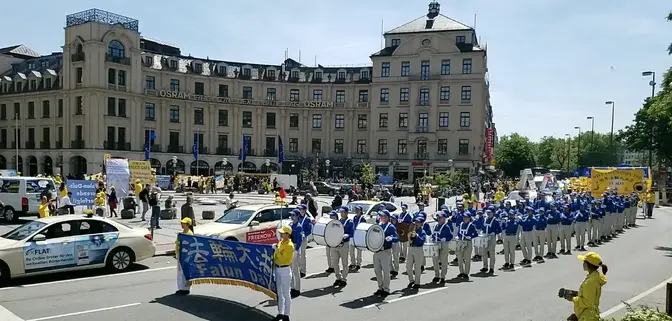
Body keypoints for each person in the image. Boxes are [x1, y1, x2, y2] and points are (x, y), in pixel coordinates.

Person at [563, 252, 608, 321]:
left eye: (584, 262)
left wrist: (572, 298)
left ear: (589, 265)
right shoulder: (595, 276)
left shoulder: (590, 282)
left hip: (587, 317)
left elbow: (587, 302)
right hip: (588, 314)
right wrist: (576, 294)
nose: (583, 264)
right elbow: (589, 296)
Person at [373, 210, 397, 296]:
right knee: (377, 271)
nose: (381, 217)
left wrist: (391, 238)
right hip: (377, 251)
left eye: (383, 216)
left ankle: (386, 289)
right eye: (380, 216)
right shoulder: (378, 225)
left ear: (387, 217)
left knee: (386, 271)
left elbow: (397, 238)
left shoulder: (390, 227)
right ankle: (380, 287)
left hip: (385, 250)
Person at [273, 225, 294, 321]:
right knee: (279, 293)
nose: (281, 234)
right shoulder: (280, 242)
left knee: (286, 293)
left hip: (285, 269)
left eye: (283, 233)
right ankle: (280, 312)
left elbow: (283, 257)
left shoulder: (290, 245)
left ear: (287, 234)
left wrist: (276, 250)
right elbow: (276, 257)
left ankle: (286, 315)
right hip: (278, 269)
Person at [330, 206, 353, 287]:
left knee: (344, 262)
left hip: (344, 244)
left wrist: (347, 235)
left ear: (346, 213)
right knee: (335, 262)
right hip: (336, 244)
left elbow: (352, 233)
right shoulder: (338, 221)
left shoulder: (350, 222)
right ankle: (338, 277)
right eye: (341, 212)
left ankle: (344, 278)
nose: (342, 213)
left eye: (343, 212)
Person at [432, 211, 453, 283]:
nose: (439, 219)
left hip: (444, 244)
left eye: (440, 217)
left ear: (444, 219)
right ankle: (436, 275)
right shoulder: (436, 226)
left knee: (444, 261)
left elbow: (450, 236)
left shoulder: (446, 227)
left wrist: (445, 239)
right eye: (438, 217)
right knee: (435, 260)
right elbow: (433, 234)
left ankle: (443, 276)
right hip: (436, 244)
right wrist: (433, 238)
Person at [456, 214, 478, 279]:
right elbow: (458, 233)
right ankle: (461, 272)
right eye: (464, 217)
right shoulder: (461, 224)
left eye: (466, 217)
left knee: (467, 258)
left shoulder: (471, 225)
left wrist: (471, 236)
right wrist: (458, 237)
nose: (465, 219)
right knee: (459, 258)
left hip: (468, 242)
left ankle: (466, 273)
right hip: (461, 242)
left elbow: (476, 234)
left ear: (469, 218)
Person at [175, 217, 194, 296]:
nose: (182, 225)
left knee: (184, 272)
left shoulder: (189, 234)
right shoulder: (183, 232)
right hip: (180, 255)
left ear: (188, 225)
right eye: (181, 223)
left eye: (184, 223)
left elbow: (188, 245)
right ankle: (181, 288)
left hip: (186, 256)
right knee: (180, 273)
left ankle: (186, 289)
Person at [406, 217, 426, 289]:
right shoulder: (412, 230)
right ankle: (411, 280)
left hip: (418, 249)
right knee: (408, 266)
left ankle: (417, 282)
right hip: (411, 248)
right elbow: (408, 238)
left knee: (417, 267)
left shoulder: (422, 232)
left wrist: (417, 236)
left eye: (418, 222)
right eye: (416, 222)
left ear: (421, 224)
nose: (416, 224)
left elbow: (421, 241)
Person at [288, 210, 303, 298]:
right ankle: (292, 287)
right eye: (291, 215)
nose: (292, 217)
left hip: (295, 247)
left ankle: (297, 289)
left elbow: (299, 240)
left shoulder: (298, 226)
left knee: (295, 270)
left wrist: (296, 250)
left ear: (297, 216)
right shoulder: (291, 225)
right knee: (290, 269)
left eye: (293, 215)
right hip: (290, 247)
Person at [481, 209, 501, 274]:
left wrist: (494, 232)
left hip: (492, 237)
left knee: (491, 252)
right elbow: (482, 226)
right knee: (484, 252)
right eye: (488, 212)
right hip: (485, 236)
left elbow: (499, 230)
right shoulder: (484, 219)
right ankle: (485, 266)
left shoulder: (495, 221)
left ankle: (491, 268)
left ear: (493, 213)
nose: (488, 213)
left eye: (490, 212)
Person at [349, 205, 366, 271]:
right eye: (356, 209)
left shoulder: (362, 218)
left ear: (361, 211)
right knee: (351, 250)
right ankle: (353, 262)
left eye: (358, 210)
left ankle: (358, 264)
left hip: (359, 236)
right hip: (353, 235)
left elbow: (363, 227)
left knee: (359, 251)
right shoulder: (355, 217)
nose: (357, 211)